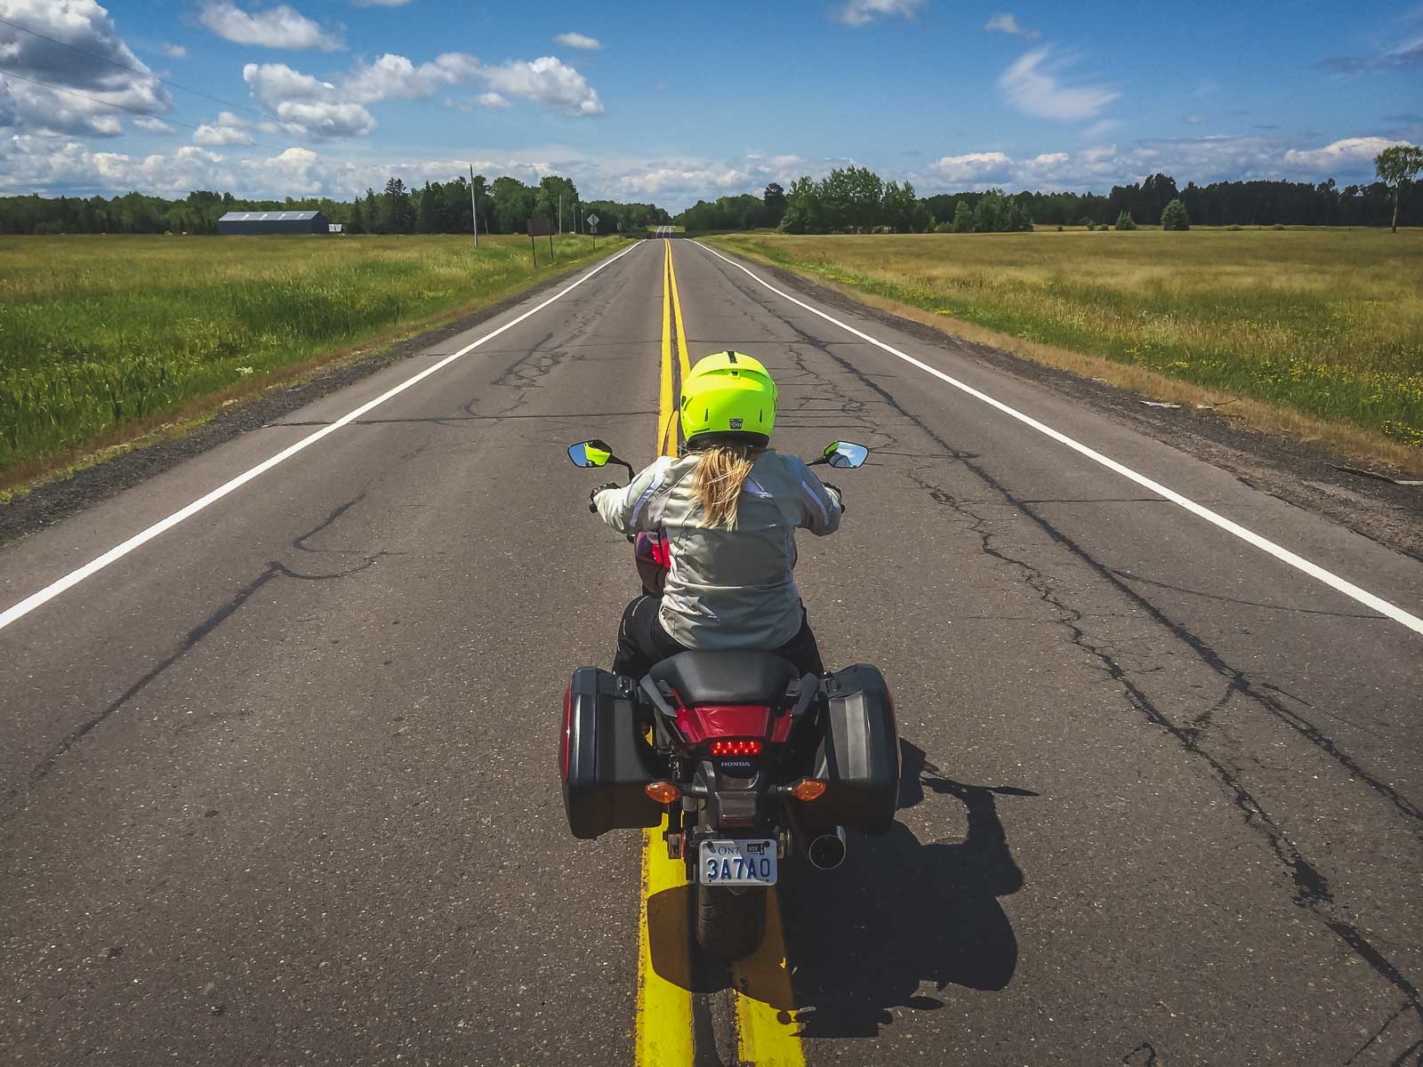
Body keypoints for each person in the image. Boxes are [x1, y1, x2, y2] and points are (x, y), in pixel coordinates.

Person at [590, 351, 844, 680]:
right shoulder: (790, 473)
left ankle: (630, 712)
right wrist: (833, 496)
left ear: (692, 408)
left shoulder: (670, 473)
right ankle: (815, 717)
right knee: (815, 681)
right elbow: (828, 518)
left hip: (685, 635)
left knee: (634, 618)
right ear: (765, 409)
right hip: (777, 638)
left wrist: (601, 495)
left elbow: (623, 513)